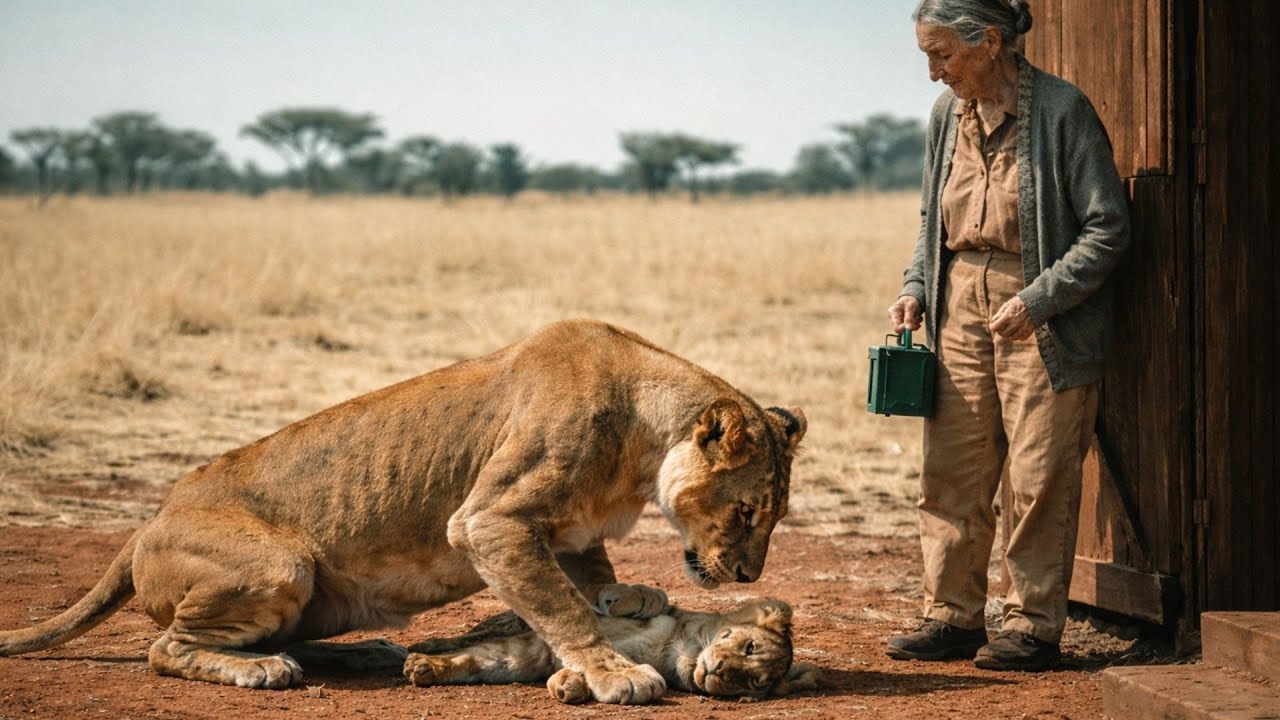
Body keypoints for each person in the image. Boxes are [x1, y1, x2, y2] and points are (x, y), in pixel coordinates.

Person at [885, 0, 1130, 671]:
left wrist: (1041, 298)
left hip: (1039, 308)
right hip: (958, 299)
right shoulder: (945, 116)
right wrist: (915, 286)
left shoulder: (1063, 111)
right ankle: (951, 616)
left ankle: (1030, 624)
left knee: (1038, 472)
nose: (934, 74)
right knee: (951, 468)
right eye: (928, 56)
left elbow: (1108, 228)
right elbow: (930, 218)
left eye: (944, 55)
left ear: (990, 41)